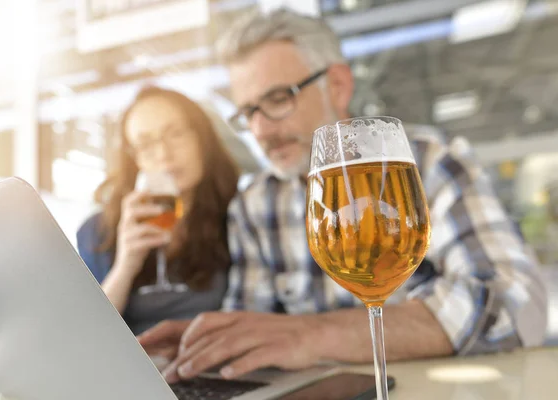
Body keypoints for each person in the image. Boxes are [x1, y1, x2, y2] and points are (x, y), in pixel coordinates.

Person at [138, 9, 548, 382]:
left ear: (337, 85)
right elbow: (257, 327)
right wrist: (212, 345)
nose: (261, 131)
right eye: (248, 112)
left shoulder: (427, 163)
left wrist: (314, 334)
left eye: (278, 99)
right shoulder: (254, 204)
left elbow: (514, 304)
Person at [77, 86, 239, 335]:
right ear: (135, 158)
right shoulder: (97, 232)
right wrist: (125, 266)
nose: (164, 154)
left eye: (175, 134)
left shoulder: (239, 214)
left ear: (201, 138)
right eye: (146, 144)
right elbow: (88, 334)